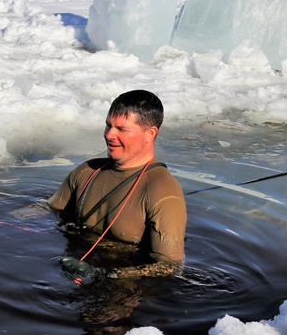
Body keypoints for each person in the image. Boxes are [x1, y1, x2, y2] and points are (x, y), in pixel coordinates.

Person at [48, 90, 187, 282]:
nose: (109, 134)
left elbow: (169, 267)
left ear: (150, 134)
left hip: (124, 287)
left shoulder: (163, 191)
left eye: (121, 129)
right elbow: (48, 209)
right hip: (69, 271)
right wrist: (2, 220)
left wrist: (108, 275)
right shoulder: (87, 171)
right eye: (108, 125)